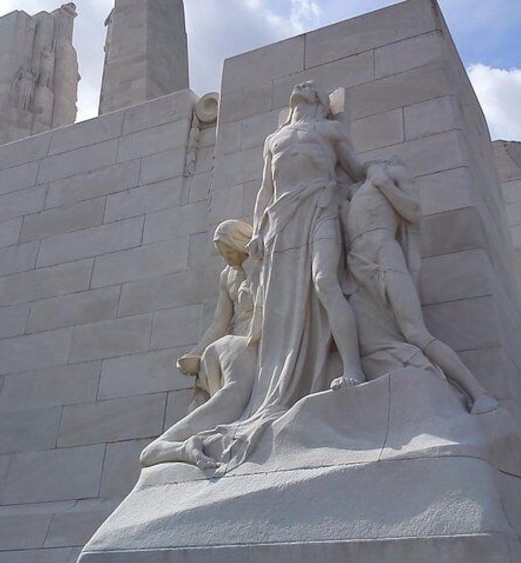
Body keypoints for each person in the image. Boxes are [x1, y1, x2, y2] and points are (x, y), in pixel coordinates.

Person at [247, 81, 368, 403]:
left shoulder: (330, 132)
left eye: (310, 87)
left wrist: (388, 173)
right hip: (281, 220)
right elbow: (265, 189)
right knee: (279, 301)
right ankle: (281, 381)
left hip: (321, 207)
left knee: (325, 280)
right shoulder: (273, 139)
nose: (302, 86)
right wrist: (257, 231)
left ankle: (353, 368)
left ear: (320, 101)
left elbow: (356, 170)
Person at [346, 159, 498, 414]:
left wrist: (383, 183)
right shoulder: (350, 192)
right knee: (366, 341)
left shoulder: (392, 172)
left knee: (415, 332)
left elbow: (413, 212)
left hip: (384, 254)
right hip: (355, 265)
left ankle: (477, 392)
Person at [140, 220, 258, 469]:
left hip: (252, 340)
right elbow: (219, 322)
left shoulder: (260, 264)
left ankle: (180, 443)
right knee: (225, 397)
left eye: (230, 251)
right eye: (223, 254)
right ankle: (182, 441)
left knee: (232, 397)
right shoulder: (227, 276)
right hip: (234, 342)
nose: (228, 258)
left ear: (242, 243)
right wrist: (195, 354)